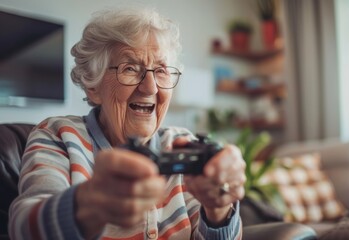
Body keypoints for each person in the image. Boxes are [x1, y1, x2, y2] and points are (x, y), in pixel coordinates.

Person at [9, 6, 246, 240]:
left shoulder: (182, 145)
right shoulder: (59, 135)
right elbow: (22, 228)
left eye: (161, 70)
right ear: (93, 86)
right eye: (130, 68)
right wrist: (90, 204)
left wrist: (218, 209)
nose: (150, 87)